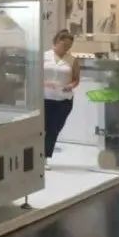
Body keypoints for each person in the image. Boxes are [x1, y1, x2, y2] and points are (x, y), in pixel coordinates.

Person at [43, 29, 80, 162]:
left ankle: (45, 156)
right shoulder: (44, 56)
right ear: (58, 42)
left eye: (70, 46)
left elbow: (76, 79)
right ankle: (40, 156)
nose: (67, 48)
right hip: (45, 98)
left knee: (54, 129)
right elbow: (34, 75)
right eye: (65, 45)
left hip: (63, 100)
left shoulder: (72, 60)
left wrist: (70, 86)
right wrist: (46, 83)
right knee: (43, 128)